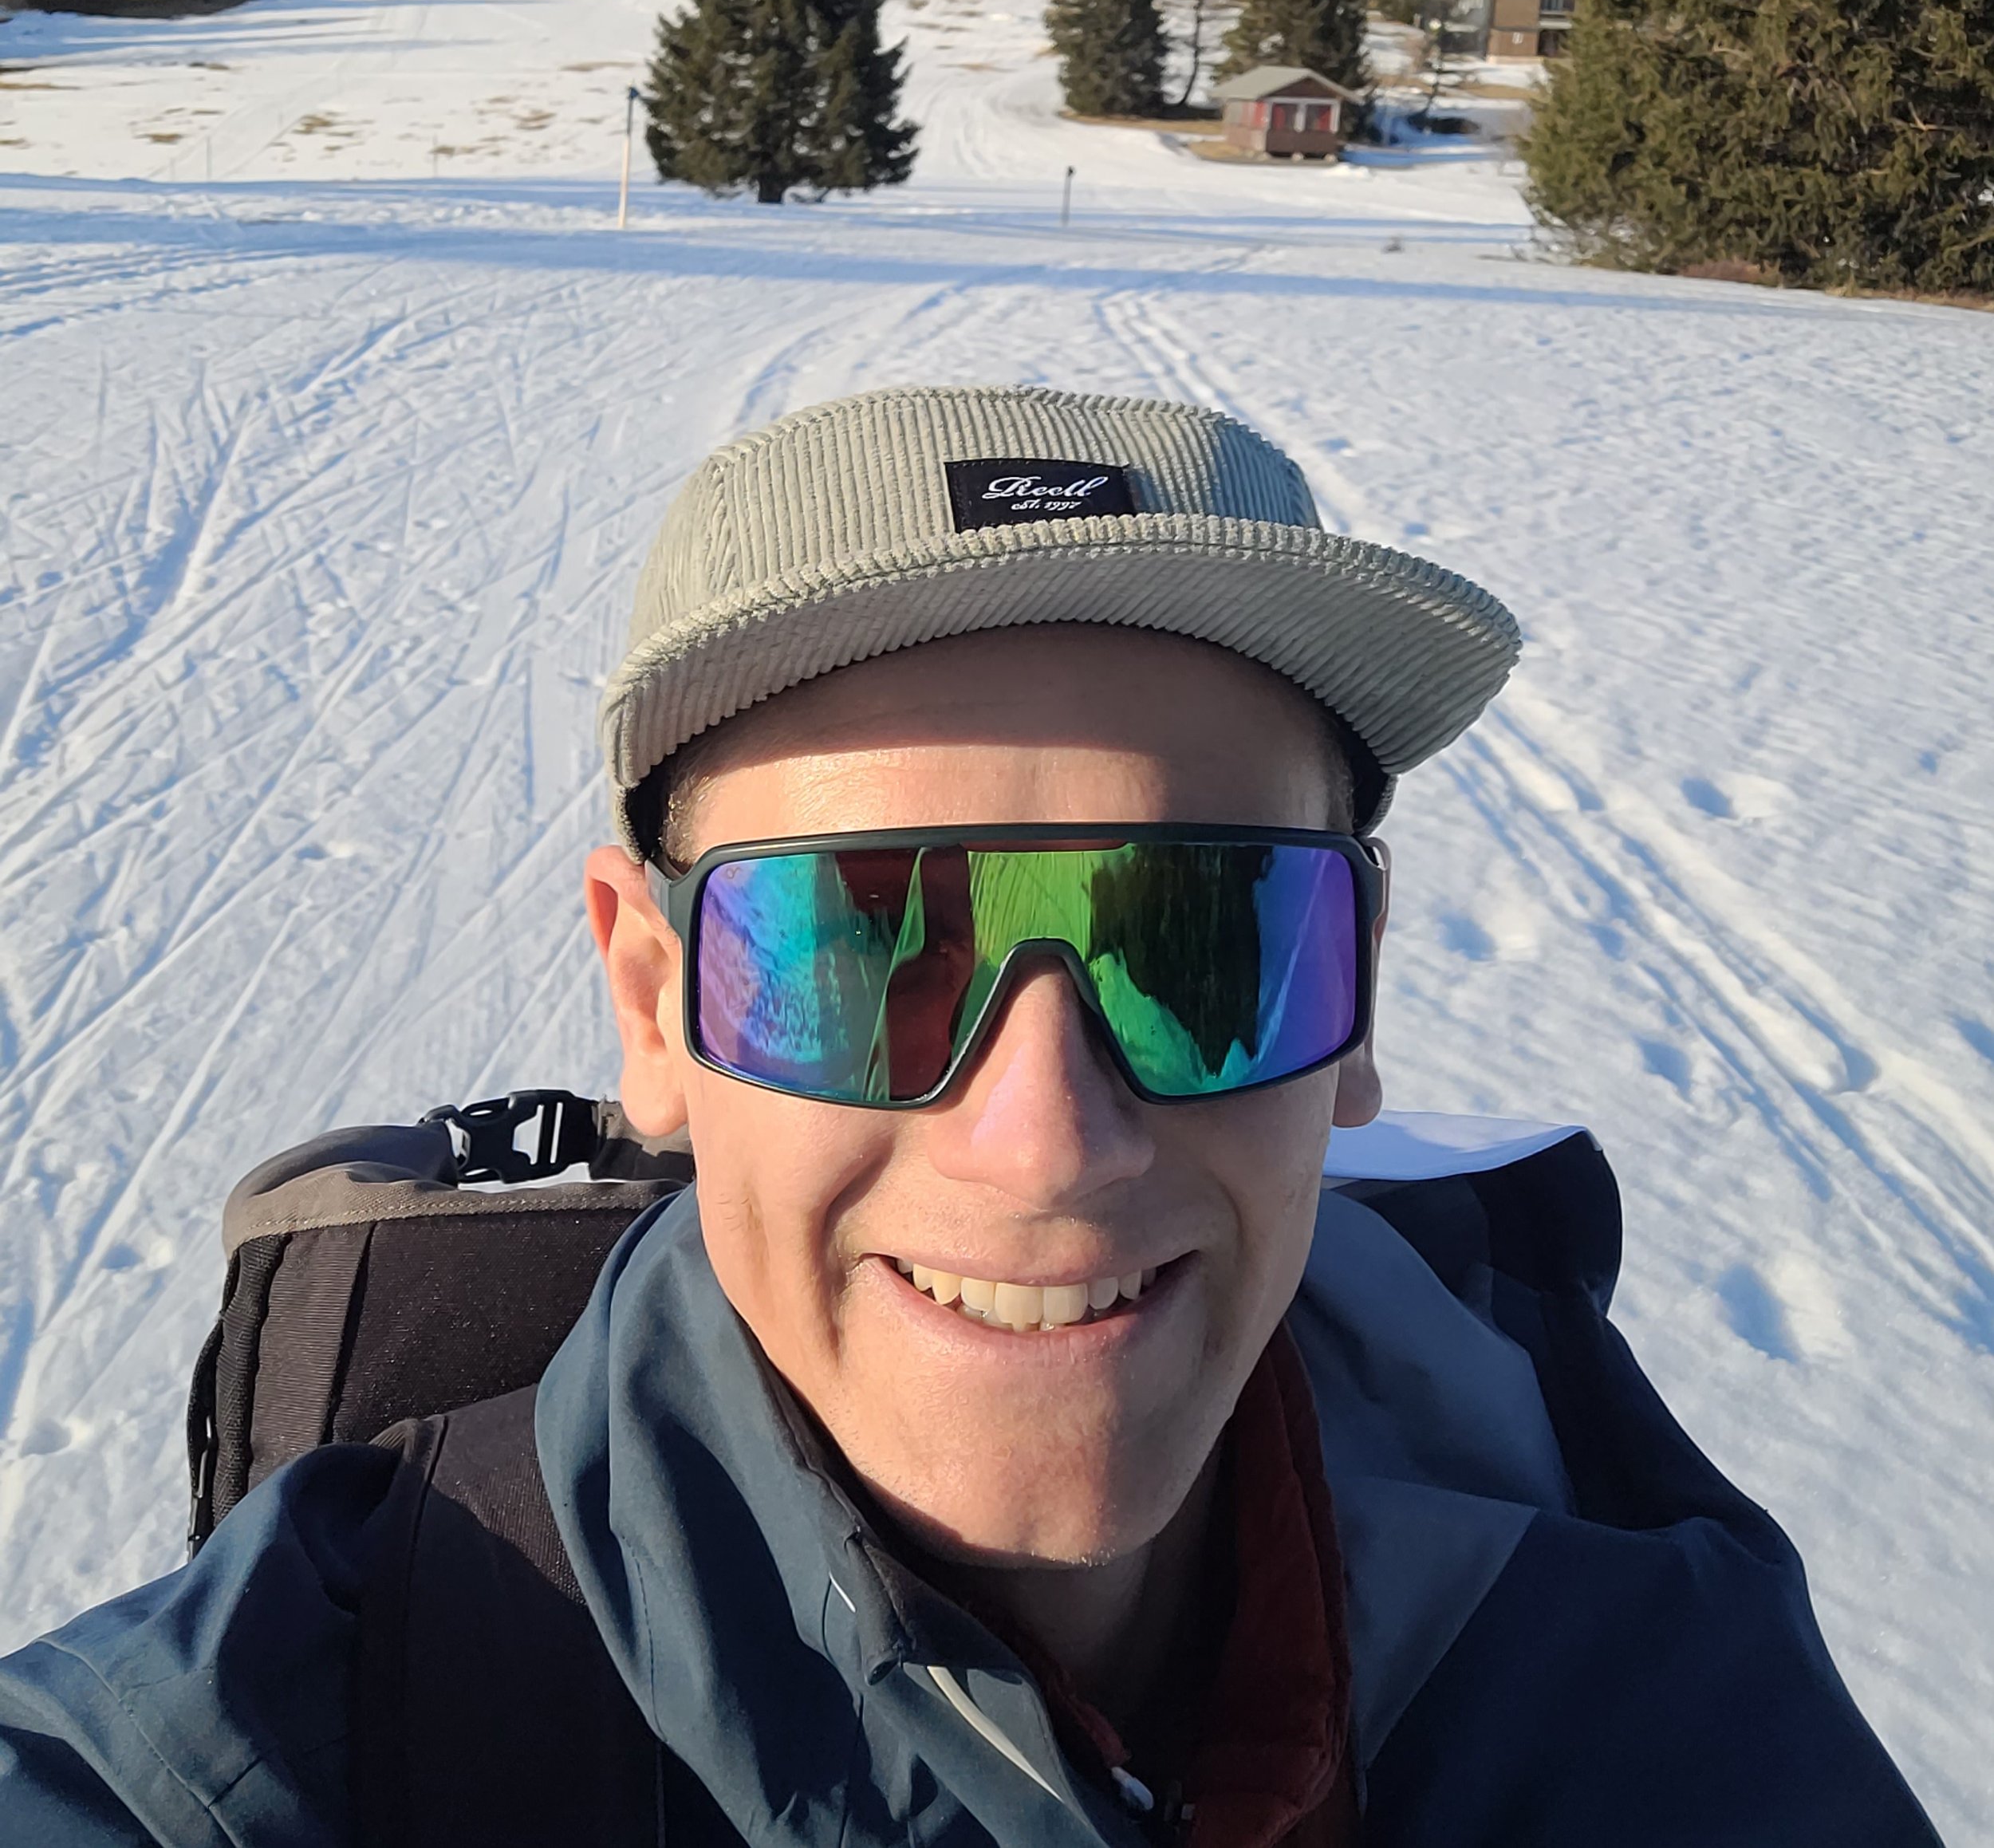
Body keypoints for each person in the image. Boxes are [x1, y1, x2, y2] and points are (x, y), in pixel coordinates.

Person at [0, 384, 1941, 1843]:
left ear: (1356, 996)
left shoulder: (1650, 1670)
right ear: (651, 1001)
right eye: (863, 947)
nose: (1048, 1140)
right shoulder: (291, 1727)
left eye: (1200, 940)